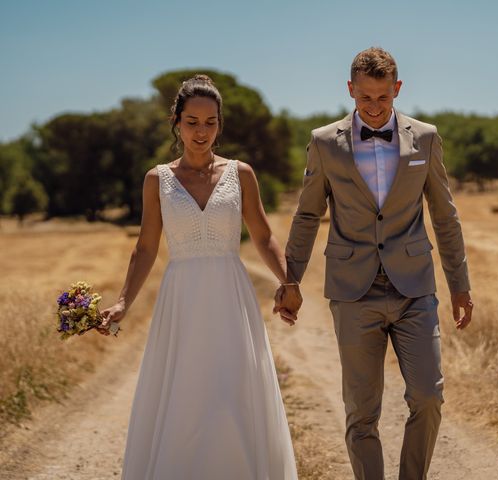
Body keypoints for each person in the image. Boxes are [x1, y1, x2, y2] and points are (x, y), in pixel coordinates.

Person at [276, 47, 473, 480]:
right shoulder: (325, 142)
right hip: (352, 291)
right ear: (350, 90)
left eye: (383, 98)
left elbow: (445, 214)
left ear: (397, 89)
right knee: (361, 413)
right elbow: (308, 214)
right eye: (365, 98)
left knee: (427, 396)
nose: (374, 108)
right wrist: (291, 280)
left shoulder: (425, 137)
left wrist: (460, 285)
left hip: (414, 288)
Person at [98, 74, 299, 479]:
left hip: (230, 296)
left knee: (232, 393)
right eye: (192, 121)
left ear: (220, 125)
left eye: (210, 122)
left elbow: (263, 235)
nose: (201, 131)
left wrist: (287, 282)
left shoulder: (241, 174)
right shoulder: (157, 180)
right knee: (186, 398)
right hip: (183, 299)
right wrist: (122, 302)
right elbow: (146, 248)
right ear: (176, 122)